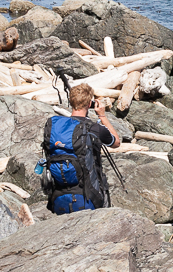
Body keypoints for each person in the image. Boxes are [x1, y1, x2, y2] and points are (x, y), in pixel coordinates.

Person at [42, 84, 121, 215]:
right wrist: (102, 116)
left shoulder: (56, 128)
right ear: (90, 104)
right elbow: (116, 142)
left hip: (58, 196)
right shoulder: (94, 128)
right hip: (89, 196)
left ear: (71, 102)